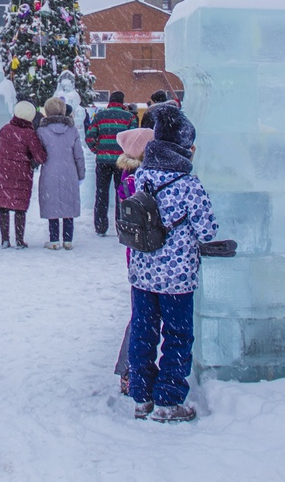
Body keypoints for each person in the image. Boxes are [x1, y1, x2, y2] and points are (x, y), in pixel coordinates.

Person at [126, 105, 216, 423]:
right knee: (177, 335)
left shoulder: (143, 178)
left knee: (143, 331)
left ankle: (141, 396)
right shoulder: (189, 186)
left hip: (143, 271)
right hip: (176, 276)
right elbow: (207, 230)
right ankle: (168, 399)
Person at [111, 126, 154, 394]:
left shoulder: (127, 178)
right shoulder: (140, 181)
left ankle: (130, 369)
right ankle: (130, 370)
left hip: (136, 255)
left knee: (141, 314)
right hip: (148, 255)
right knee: (143, 316)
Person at [0, 100, 47, 248]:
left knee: (3, 208)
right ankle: (20, 240)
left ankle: (5, 240)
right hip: (21, 175)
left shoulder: (5, 129)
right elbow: (40, 156)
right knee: (20, 209)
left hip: (2, 173)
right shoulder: (29, 134)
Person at [35, 97, 85, 250]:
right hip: (69, 171)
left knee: (53, 205)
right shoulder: (72, 130)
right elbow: (78, 154)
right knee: (68, 205)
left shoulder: (42, 131)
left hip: (49, 170)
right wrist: (81, 173)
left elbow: (39, 153)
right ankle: (68, 239)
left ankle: (54, 239)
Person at [85, 91, 136, 235]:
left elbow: (89, 137)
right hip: (122, 162)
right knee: (122, 194)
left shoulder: (99, 116)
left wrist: (98, 150)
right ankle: (122, 226)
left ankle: (100, 226)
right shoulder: (129, 117)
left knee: (101, 193)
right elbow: (132, 141)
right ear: (122, 101)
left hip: (102, 161)